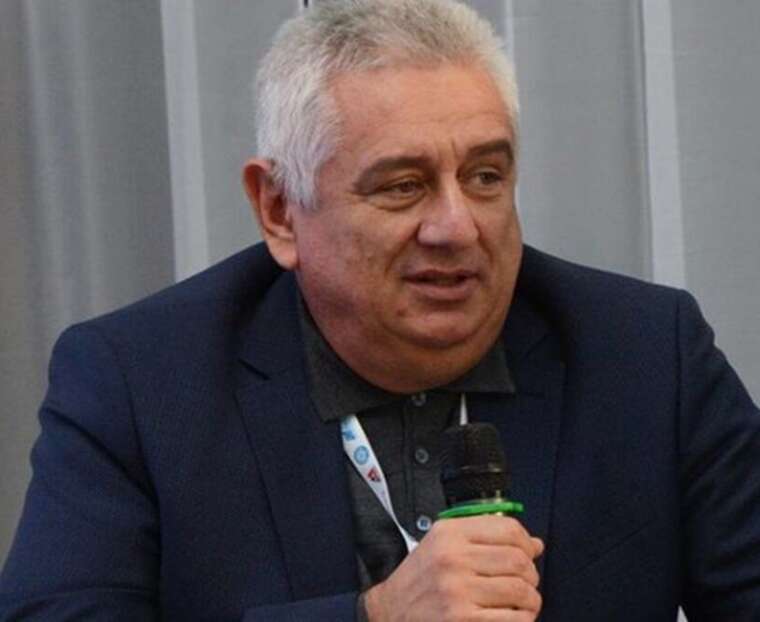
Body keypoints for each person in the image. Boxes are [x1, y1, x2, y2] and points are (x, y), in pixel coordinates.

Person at [2, 0, 759, 620]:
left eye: (485, 176)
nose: (457, 227)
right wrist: (376, 618)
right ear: (279, 210)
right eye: (403, 186)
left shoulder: (645, 354)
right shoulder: (140, 385)